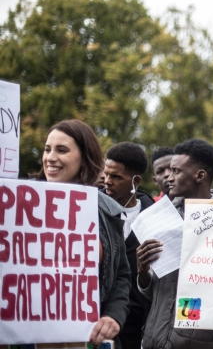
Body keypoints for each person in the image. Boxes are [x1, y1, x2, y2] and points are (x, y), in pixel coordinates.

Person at [35, 119, 130, 348]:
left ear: (85, 158)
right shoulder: (19, 205)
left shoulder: (106, 212)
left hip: (85, 338)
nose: (50, 158)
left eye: (62, 150)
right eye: (47, 149)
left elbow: (121, 275)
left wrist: (113, 316)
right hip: (30, 336)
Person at [136, 138, 213, 349]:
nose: (168, 177)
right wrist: (143, 271)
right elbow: (153, 292)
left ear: (200, 176)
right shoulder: (159, 219)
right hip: (155, 340)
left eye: (176, 171)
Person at [103, 142, 155, 349]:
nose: (107, 181)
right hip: (95, 322)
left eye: (116, 177)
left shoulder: (155, 218)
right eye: (106, 174)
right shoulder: (90, 207)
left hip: (135, 328)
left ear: (136, 180)